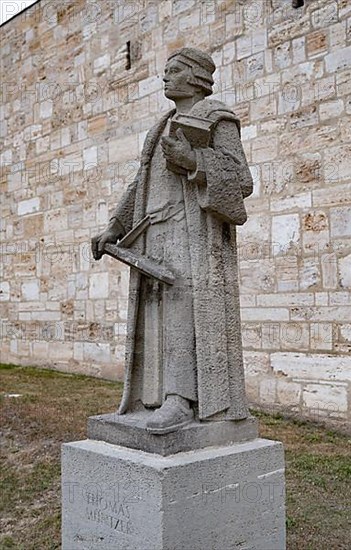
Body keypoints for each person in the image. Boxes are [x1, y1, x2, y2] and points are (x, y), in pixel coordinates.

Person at [92, 48, 253, 434]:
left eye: (174, 71)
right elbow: (141, 182)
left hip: (192, 234)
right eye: (165, 72)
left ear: (196, 77)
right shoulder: (161, 124)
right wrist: (116, 224)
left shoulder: (217, 119)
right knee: (155, 313)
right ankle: (156, 396)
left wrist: (194, 161)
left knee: (183, 310)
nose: (165, 78)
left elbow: (242, 180)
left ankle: (182, 400)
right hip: (153, 234)